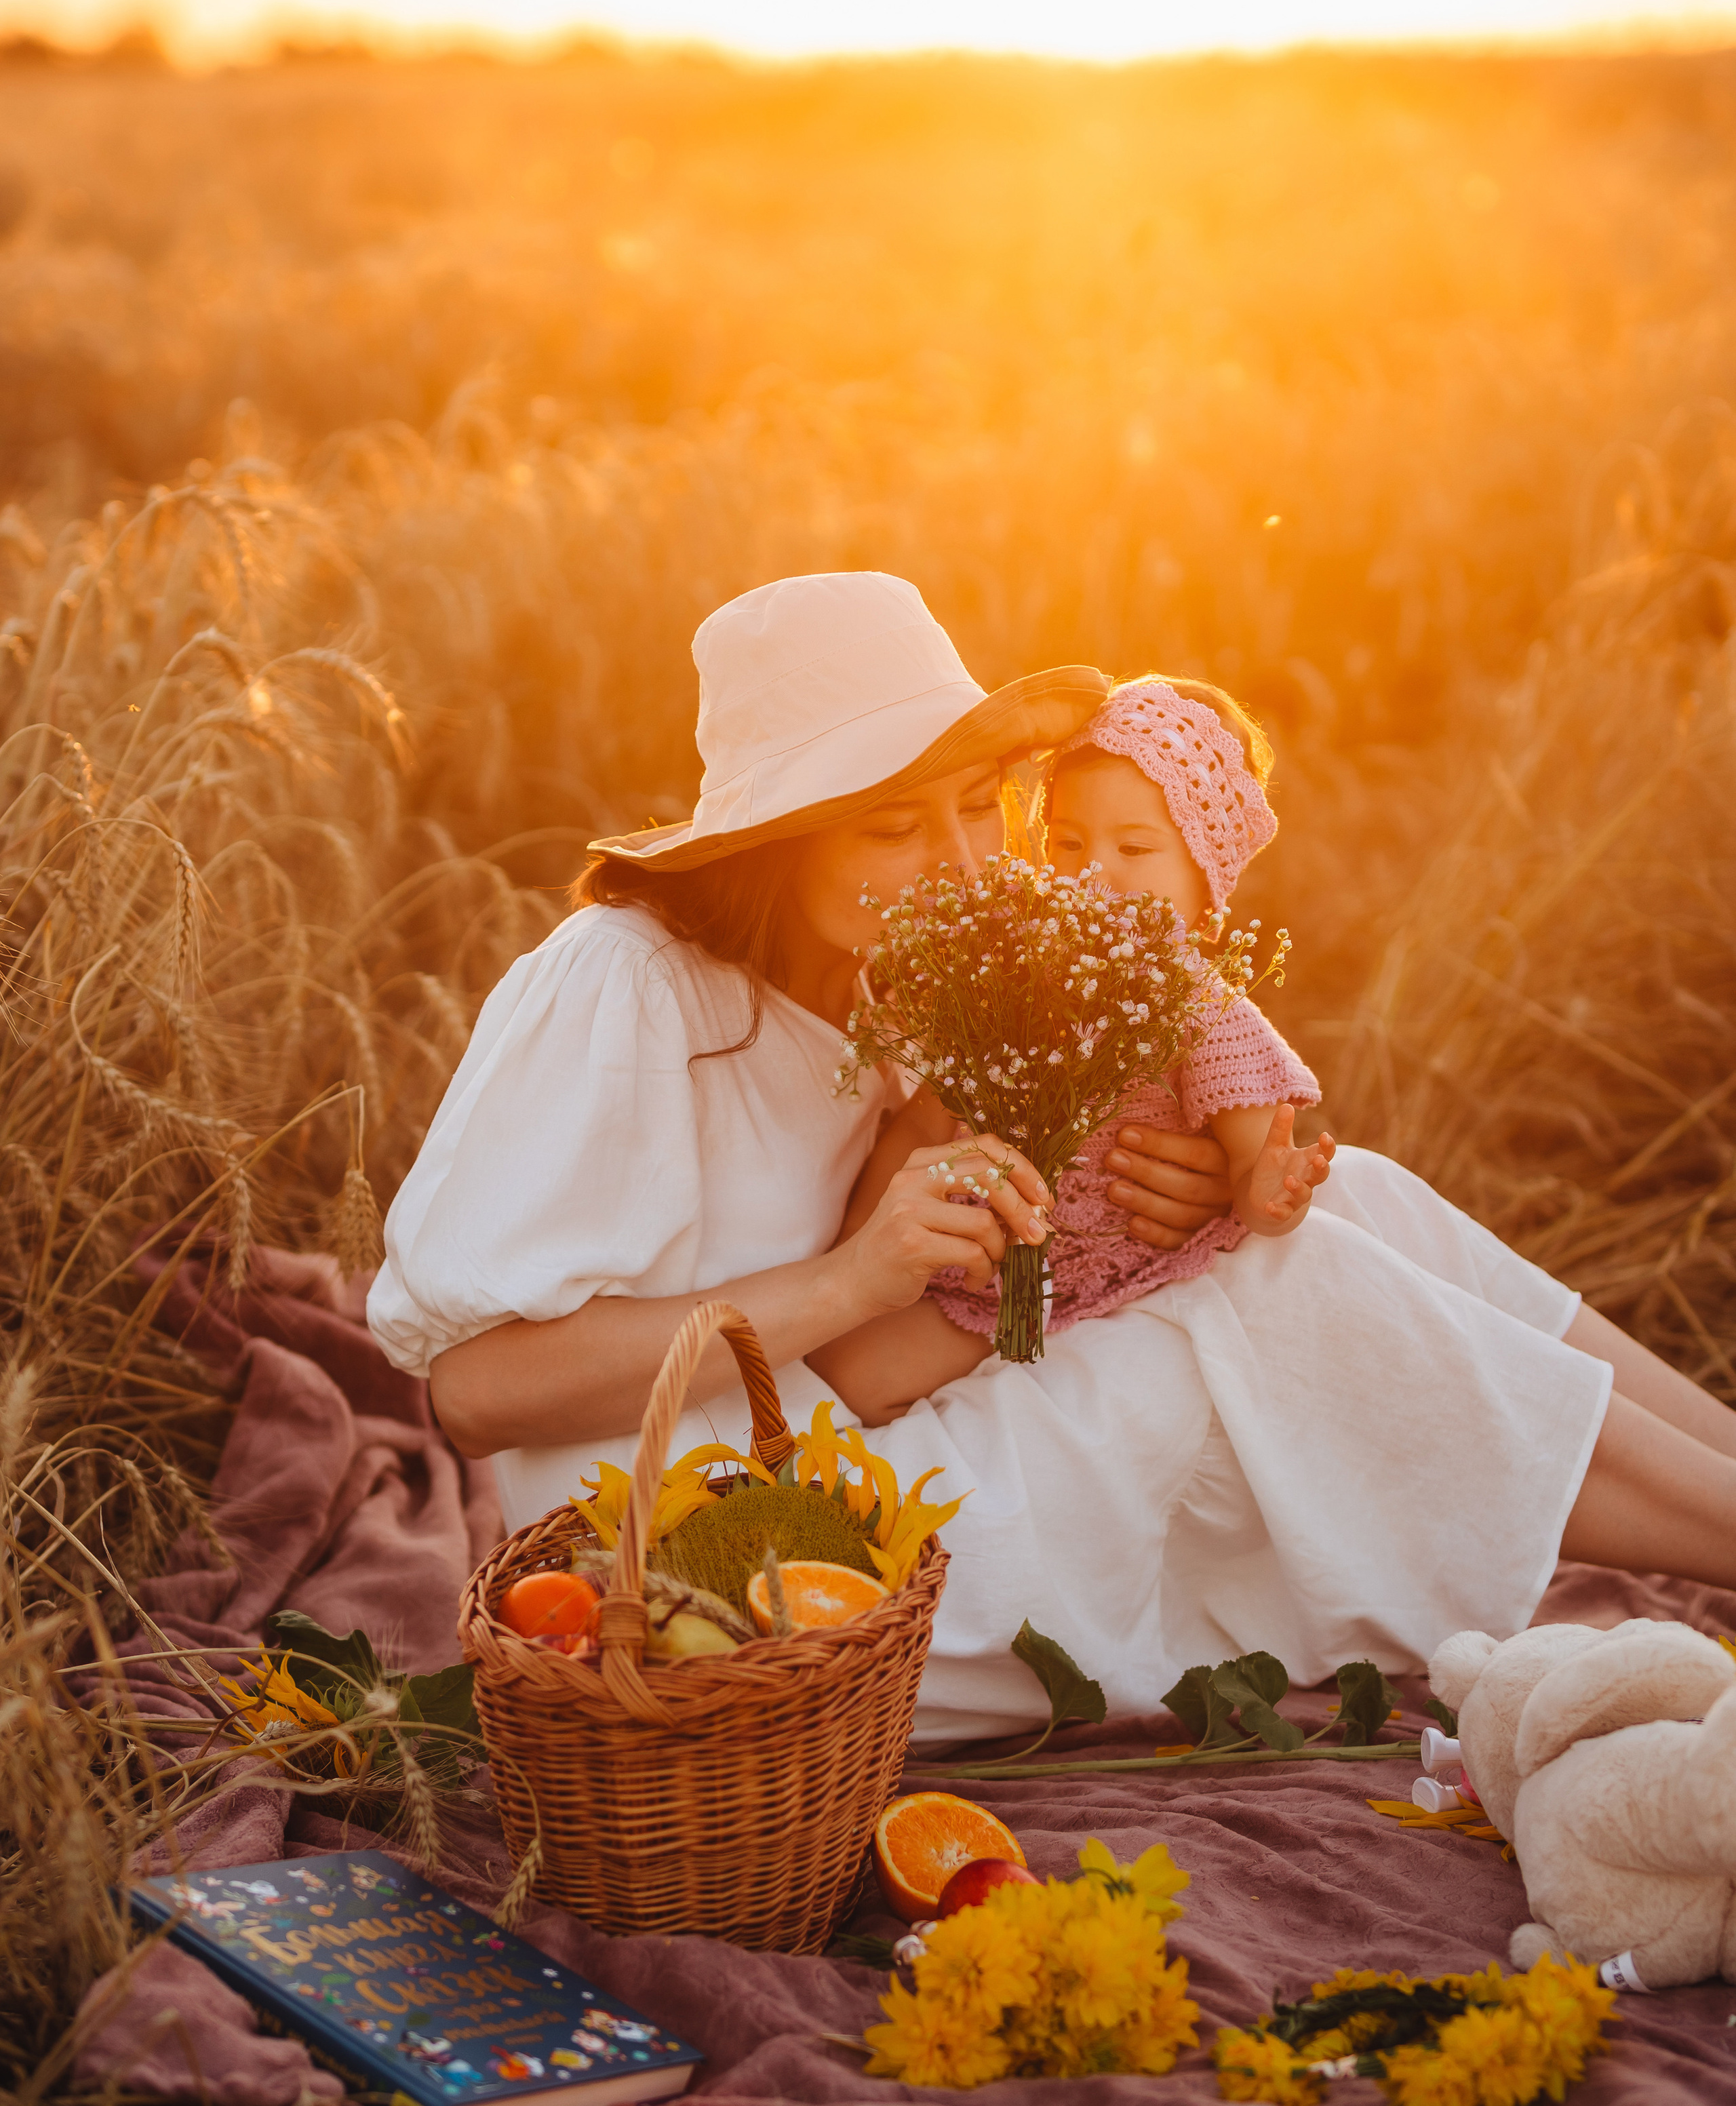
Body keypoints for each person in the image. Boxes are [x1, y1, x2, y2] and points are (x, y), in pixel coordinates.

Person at [369, 570, 1736, 1743]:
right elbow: (481, 1392)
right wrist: (851, 1279)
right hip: (739, 1576)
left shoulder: (902, 980)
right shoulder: (627, 987)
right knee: (1286, 1295)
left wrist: (1181, 1202)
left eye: (976, 807)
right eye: (895, 825)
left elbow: (1025, 1232)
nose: (964, 860)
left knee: (1349, 1198)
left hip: (880, 1437)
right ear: (778, 844)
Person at [848, 674, 1335, 1409]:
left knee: (1042, 1395)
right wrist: (856, 1243)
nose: (1094, 872)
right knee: (854, 1377)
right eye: (1067, 842)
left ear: (1206, 892)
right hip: (981, 1268)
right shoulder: (1012, 966)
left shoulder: (1194, 1006)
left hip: (1106, 1267)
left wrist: (1271, 1193)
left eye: (1135, 848)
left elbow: (1254, 1151)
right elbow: (926, 1118)